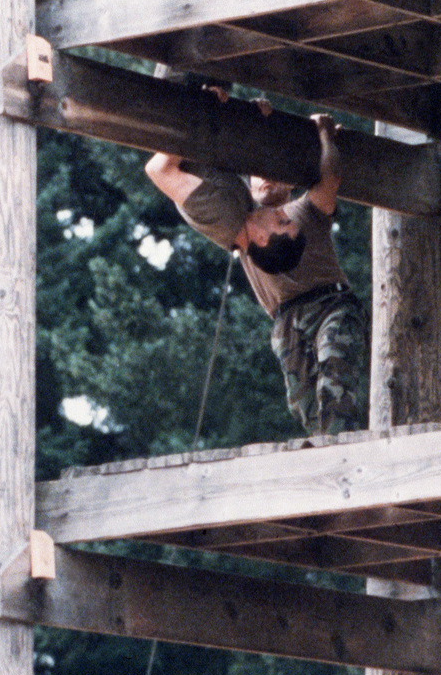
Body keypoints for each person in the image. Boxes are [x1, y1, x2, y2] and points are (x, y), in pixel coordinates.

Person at [144, 115, 367, 435]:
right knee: (301, 399)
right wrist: (250, 111)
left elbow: (329, 178)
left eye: (274, 177)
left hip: (329, 303)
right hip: (285, 316)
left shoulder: (303, 212)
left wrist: (325, 136)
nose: (266, 182)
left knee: (334, 371)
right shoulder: (244, 222)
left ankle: (341, 443)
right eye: (258, 176)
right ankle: (325, 443)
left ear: (289, 182)